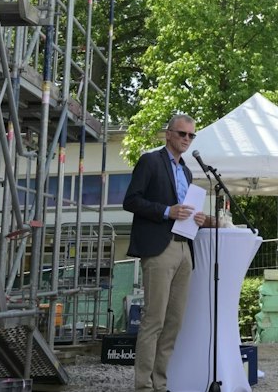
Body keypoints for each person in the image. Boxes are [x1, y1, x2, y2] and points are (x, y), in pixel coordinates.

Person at [121, 114, 214, 392]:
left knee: (174, 322)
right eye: (182, 134)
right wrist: (166, 211)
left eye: (191, 136)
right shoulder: (150, 161)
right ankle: (143, 386)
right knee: (154, 320)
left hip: (185, 248)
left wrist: (197, 219)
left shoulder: (187, 171)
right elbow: (131, 200)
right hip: (159, 248)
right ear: (168, 134)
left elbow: (185, 209)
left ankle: (160, 384)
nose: (187, 139)